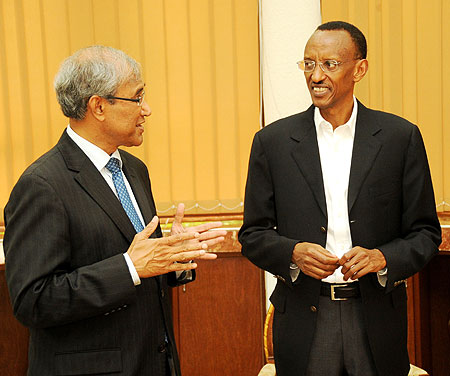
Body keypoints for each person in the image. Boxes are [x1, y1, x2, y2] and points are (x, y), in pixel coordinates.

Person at [3, 46, 226, 376]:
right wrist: (128, 268)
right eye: (137, 98)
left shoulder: (133, 169)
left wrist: (174, 256)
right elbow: (33, 301)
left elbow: (145, 266)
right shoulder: (42, 185)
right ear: (98, 106)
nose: (146, 109)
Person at [239, 21, 441, 376]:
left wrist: (382, 257)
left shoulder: (399, 138)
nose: (316, 75)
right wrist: (292, 253)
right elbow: (252, 235)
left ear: (359, 69)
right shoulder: (272, 143)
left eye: (330, 64)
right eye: (308, 64)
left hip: (376, 317)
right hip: (305, 318)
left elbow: (426, 232)